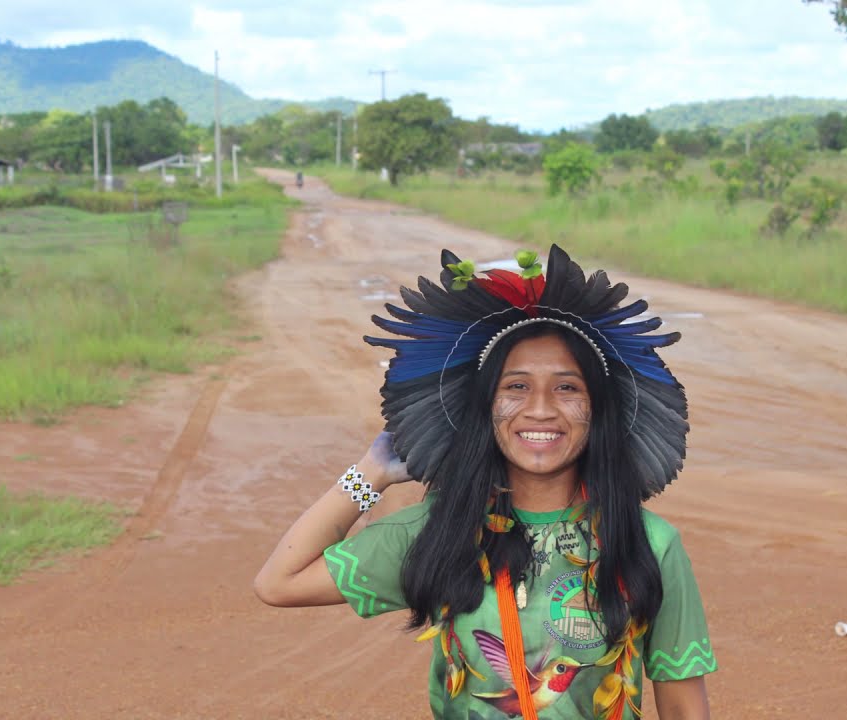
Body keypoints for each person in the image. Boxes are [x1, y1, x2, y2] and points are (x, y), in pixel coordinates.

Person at [255, 245, 716, 719]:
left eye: (567, 387)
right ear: (485, 407)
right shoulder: (439, 530)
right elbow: (279, 582)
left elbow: (683, 706)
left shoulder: (650, 543)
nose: (540, 409)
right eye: (516, 386)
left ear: (597, 410)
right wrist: (370, 473)